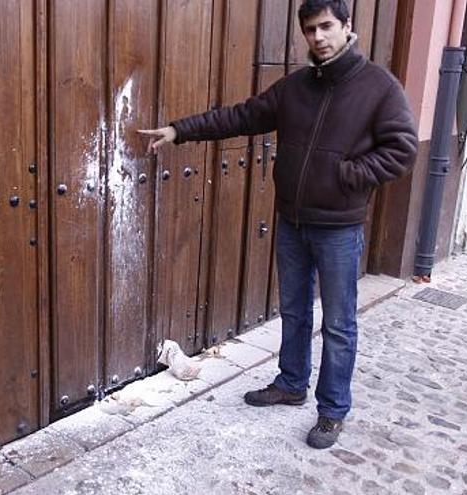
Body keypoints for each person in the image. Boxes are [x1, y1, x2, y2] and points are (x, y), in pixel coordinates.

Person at [138, 0, 418, 449]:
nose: (319, 37)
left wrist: (346, 176)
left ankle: (332, 410)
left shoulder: (379, 88)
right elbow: (241, 116)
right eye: (310, 30)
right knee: (294, 309)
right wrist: (178, 130)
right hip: (292, 221)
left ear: (347, 26)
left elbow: (402, 150)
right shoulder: (296, 88)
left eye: (327, 27)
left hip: (338, 228)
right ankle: (291, 383)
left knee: (340, 323)